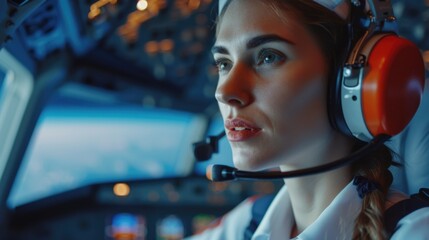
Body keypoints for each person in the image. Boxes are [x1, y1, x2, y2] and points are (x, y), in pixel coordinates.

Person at [188, 0, 429, 239]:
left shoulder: (416, 232)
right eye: (224, 63)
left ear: (349, 80)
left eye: (268, 57)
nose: (225, 91)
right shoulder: (247, 224)